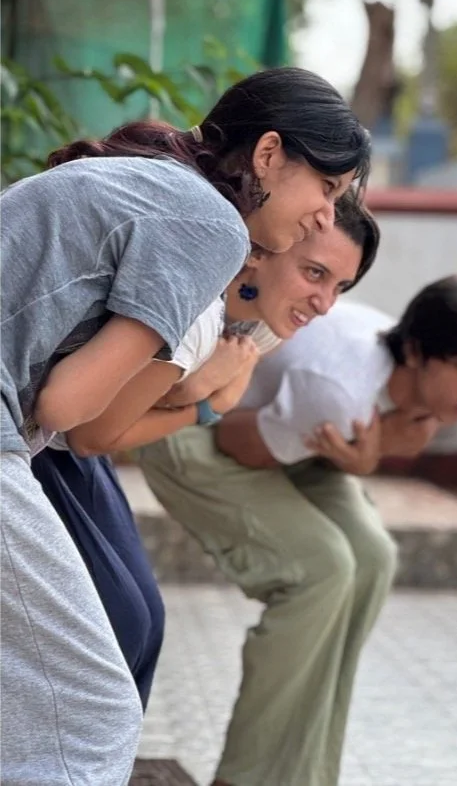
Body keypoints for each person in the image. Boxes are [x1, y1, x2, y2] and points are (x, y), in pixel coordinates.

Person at [1, 66, 370, 786]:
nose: (325, 216)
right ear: (267, 156)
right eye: (325, 189)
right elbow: (68, 412)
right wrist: (199, 392)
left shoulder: (155, 178)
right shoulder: (210, 224)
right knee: (95, 713)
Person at [136, 274, 457, 786]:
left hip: (292, 439)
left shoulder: (453, 399)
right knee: (321, 571)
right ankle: (243, 778)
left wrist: (377, 444)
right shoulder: (340, 391)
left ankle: (308, 775)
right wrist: (380, 443)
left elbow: (376, 434)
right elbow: (239, 443)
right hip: (194, 431)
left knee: (372, 560)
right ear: (414, 350)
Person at [29, 190, 379, 711]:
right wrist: (200, 405)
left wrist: (200, 396)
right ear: (266, 248)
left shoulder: (265, 322)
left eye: (340, 286)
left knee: (141, 622)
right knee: (121, 623)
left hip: (77, 448)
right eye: (314, 274)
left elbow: (178, 402)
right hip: (39, 446)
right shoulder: (198, 304)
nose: (326, 303)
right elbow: (92, 434)